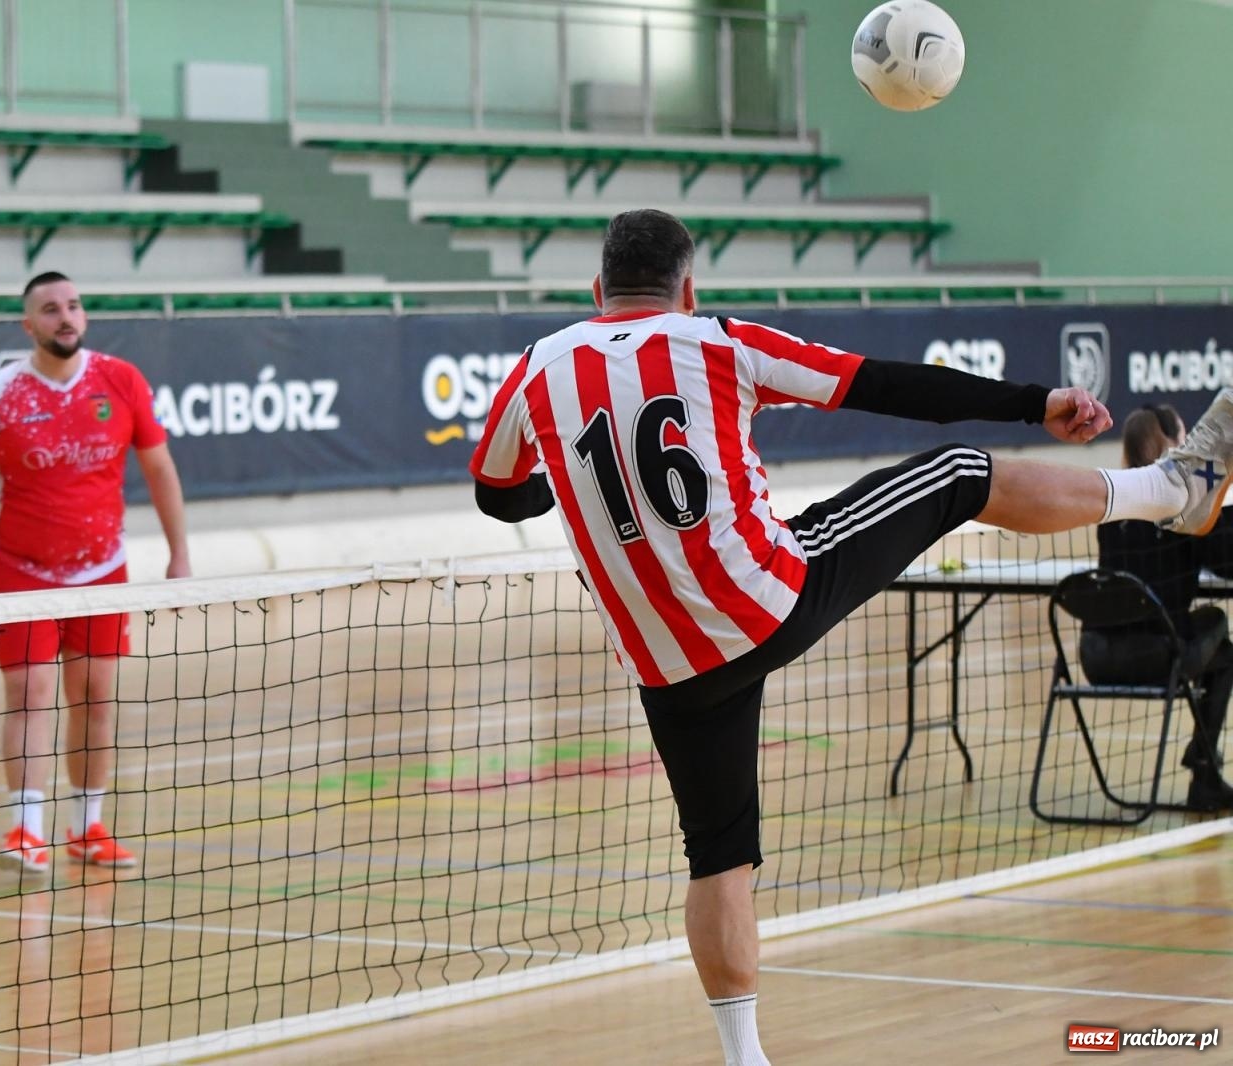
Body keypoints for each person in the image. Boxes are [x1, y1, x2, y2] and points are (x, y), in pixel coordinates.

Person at [467, 209, 1233, 1066]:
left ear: (595, 291)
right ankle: (1171, 491)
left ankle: (744, 1056)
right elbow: (883, 385)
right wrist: (1029, 404)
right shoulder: (714, 341)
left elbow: (497, 492)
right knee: (955, 475)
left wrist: (563, 482)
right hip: (763, 600)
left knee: (717, 853)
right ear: (689, 289)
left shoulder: (538, 369)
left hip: (666, 662)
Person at [0, 271, 191, 874]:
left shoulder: (121, 380)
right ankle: (25, 830)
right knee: (28, 694)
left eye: (74, 306)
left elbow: (160, 469)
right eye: (51, 309)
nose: (65, 316)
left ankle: (87, 828)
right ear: (29, 325)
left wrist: (178, 553)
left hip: (103, 571)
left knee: (96, 697)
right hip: (18, 572)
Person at [1080, 404, 1233, 810]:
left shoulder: (1114, 502)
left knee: (1220, 653)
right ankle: (1203, 769)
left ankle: (1205, 772)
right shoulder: (1180, 504)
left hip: (1095, 655)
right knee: (1219, 629)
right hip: (1155, 656)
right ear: (1173, 443)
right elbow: (1226, 563)